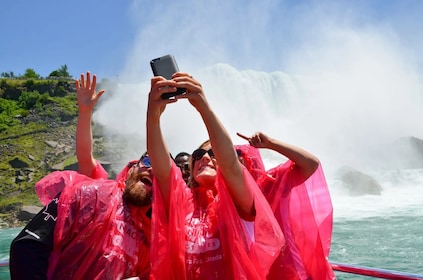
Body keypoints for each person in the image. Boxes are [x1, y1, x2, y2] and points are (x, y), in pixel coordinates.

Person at [10, 72, 153, 279]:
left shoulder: (151, 230)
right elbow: (86, 158)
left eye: (162, 169)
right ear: (131, 168)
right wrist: (85, 113)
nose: (152, 169)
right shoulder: (95, 195)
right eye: (147, 161)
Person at [146, 72, 284, 279]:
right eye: (199, 154)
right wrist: (153, 115)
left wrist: (203, 107)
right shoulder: (181, 202)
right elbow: (163, 170)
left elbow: (229, 164)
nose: (206, 158)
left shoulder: (238, 203)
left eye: (213, 154)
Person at [235, 132, 335, 280]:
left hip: (286, 271)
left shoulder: (271, 184)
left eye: (237, 157)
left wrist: (271, 143)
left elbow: (311, 164)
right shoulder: (217, 198)